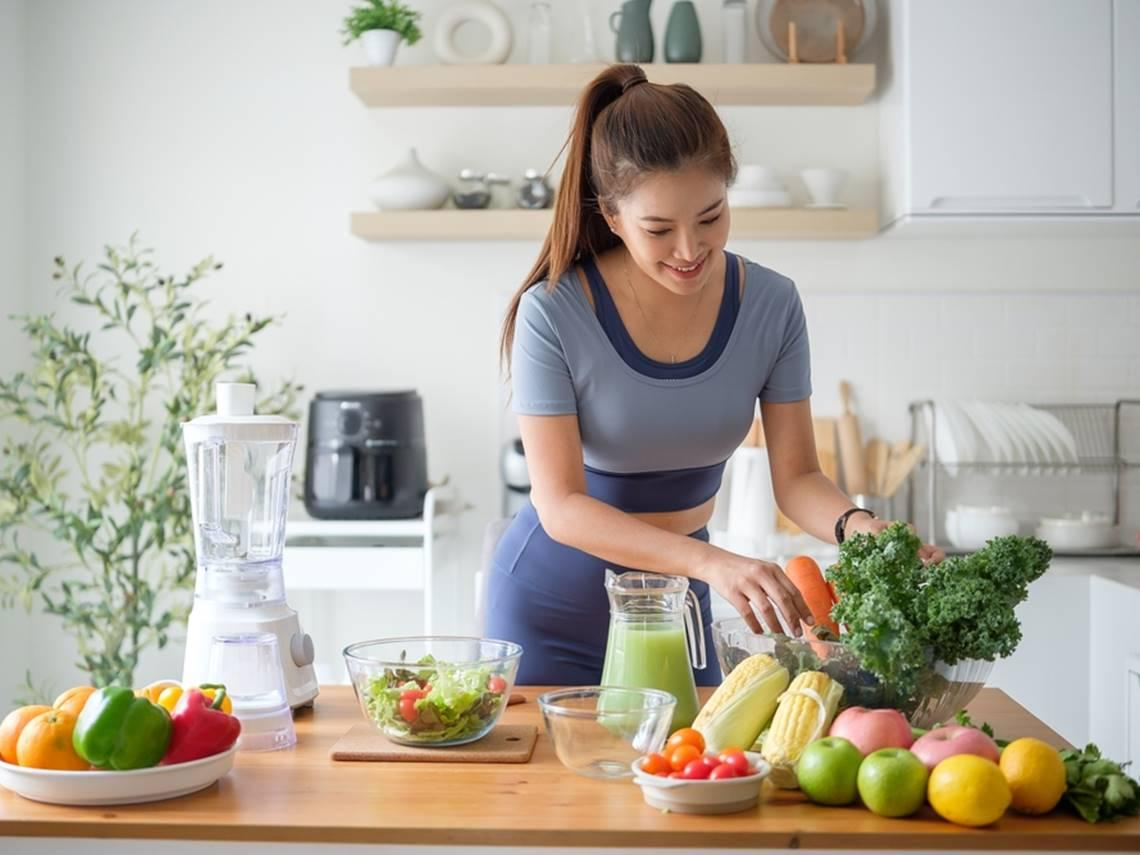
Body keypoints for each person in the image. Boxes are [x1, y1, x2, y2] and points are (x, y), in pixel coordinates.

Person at [484, 64, 944, 687]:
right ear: (613, 217)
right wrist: (713, 563)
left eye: (711, 216)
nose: (689, 249)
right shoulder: (554, 311)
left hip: (679, 609)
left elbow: (799, 476)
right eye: (658, 229)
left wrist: (861, 529)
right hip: (551, 609)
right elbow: (562, 506)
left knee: (690, 777)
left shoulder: (772, 304)